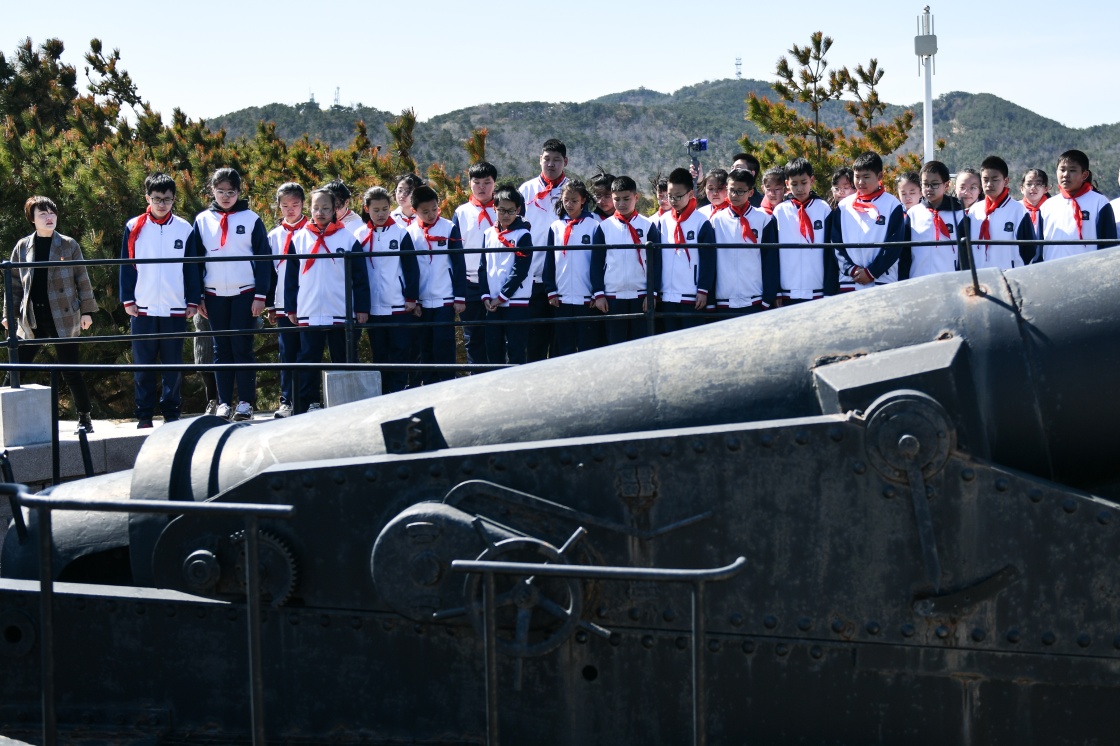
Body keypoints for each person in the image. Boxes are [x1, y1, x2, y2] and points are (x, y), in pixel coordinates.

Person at [4, 196, 97, 432]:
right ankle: (3, 419)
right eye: (42, 214)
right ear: (32, 219)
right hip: (32, 316)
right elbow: (13, 285)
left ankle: (85, 418)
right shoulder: (22, 246)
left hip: (63, 315)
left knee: (70, 371)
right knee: (15, 368)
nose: (49, 218)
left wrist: (87, 311)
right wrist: (9, 315)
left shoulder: (68, 244)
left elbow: (82, 279)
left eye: (52, 213)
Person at [120, 173, 201, 428]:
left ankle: (171, 413)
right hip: (142, 307)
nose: (162, 204)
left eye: (167, 199)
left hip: (174, 306)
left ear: (174, 199)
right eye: (157, 199)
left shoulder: (185, 228)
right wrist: (127, 298)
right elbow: (126, 265)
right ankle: (144, 415)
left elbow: (192, 268)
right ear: (147, 198)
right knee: (143, 365)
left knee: (172, 366)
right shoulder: (134, 226)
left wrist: (192, 300)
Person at [193, 168, 270, 421]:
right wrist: (198, 295)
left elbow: (264, 259)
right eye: (221, 191)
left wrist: (261, 295)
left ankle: (246, 403)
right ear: (212, 191)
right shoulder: (202, 220)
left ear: (239, 191)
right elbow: (195, 261)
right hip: (213, 294)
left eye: (231, 192)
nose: (226, 197)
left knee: (242, 347)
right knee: (221, 349)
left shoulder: (251, 219)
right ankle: (224, 402)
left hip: (244, 292)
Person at [284, 188, 369, 412]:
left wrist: (362, 307)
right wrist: (291, 307)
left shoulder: (347, 238)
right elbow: (290, 278)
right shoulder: (299, 238)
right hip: (309, 309)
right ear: (309, 209)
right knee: (308, 358)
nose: (320, 212)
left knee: (343, 356)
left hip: (340, 308)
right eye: (316, 208)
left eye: (325, 208)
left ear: (334, 210)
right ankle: (307, 403)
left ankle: (345, 403)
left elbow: (360, 277)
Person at [358, 186, 419, 395]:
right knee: (379, 353)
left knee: (400, 351)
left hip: (398, 304)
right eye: (376, 210)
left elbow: (411, 268)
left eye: (385, 209)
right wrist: (361, 305)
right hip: (373, 307)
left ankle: (398, 392)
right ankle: (383, 394)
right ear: (367, 209)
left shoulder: (401, 233)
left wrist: (411, 297)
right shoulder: (359, 235)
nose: (381, 214)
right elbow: (357, 273)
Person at [592, 176, 660, 345]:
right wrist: (599, 293)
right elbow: (596, 263)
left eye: (626, 199)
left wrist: (652, 293)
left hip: (641, 296)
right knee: (615, 345)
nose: (621, 204)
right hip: (612, 296)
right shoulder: (603, 227)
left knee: (641, 345)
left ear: (636, 197)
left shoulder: (648, 225)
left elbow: (656, 263)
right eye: (617, 199)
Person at [408, 185, 465, 384]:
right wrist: (413, 299)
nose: (431, 214)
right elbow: (408, 269)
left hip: (445, 297)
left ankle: (448, 382)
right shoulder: (409, 233)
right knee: (424, 344)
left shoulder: (449, 227)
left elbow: (459, 263)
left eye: (434, 209)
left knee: (444, 342)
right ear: (414, 211)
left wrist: (460, 296)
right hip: (421, 300)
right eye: (425, 211)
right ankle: (429, 385)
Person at [519, 139, 569, 362]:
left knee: (561, 341)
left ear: (565, 161)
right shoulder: (526, 190)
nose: (551, 164)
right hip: (533, 277)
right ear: (540, 159)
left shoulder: (572, 190)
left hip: (563, 277)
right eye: (547, 159)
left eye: (556, 160)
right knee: (534, 341)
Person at [830, 152, 905, 291]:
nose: (860, 182)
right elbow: (836, 244)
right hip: (850, 281)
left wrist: (871, 272)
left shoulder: (892, 205)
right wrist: (851, 269)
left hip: (882, 280)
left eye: (866, 177)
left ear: (880, 176)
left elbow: (894, 246)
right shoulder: (843, 206)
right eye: (857, 176)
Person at [653, 168, 715, 331]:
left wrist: (703, 289)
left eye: (678, 196)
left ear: (690, 194)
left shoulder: (701, 222)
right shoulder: (662, 221)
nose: (673, 200)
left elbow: (708, 260)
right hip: (666, 295)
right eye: (670, 196)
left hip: (692, 295)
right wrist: (655, 290)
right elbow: (656, 259)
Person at [710, 168, 778, 313]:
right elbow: (710, 260)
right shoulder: (716, 220)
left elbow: (770, 259)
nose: (735, 195)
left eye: (740, 191)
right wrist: (711, 300)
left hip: (755, 298)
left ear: (751, 192)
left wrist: (767, 298)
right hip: (724, 299)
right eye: (731, 190)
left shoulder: (763, 219)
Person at [265, 182, 307, 417]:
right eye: (285, 205)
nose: (290, 210)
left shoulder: (311, 232)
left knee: (307, 352)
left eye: (295, 205)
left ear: (303, 204)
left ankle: (307, 399)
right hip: (282, 303)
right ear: (278, 206)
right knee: (286, 353)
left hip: (308, 302)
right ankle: (287, 400)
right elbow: (269, 273)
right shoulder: (273, 236)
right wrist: (271, 305)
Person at [771, 158, 839, 304]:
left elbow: (831, 253)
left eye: (804, 183)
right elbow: (772, 254)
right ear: (787, 184)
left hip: (817, 289)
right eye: (794, 184)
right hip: (787, 290)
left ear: (812, 180)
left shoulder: (823, 209)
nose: (800, 189)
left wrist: (829, 291)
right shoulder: (780, 211)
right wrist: (776, 291)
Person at [543, 181, 600, 355]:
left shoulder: (594, 226)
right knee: (564, 347)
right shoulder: (555, 227)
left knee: (586, 346)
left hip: (586, 298)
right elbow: (549, 261)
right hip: (561, 298)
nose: (569, 204)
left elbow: (598, 262)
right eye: (566, 200)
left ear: (583, 200)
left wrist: (596, 292)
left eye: (574, 200)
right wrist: (551, 290)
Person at [480, 184, 534, 364]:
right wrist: (486, 296)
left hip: (516, 301)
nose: (506, 215)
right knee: (493, 348)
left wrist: (503, 296)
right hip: (492, 303)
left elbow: (520, 269)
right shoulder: (488, 233)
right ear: (494, 208)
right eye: (502, 210)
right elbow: (483, 266)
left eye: (511, 211)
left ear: (518, 210)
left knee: (516, 349)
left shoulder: (523, 235)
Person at [451, 161, 498, 367]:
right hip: (470, 283)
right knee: (473, 337)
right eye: (476, 182)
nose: (481, 187)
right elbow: (454, 251)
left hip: (496, 283)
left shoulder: (502, 209)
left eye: (487, 182)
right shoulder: (461, 212)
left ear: (494, 183)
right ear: (469, 183)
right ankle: (476, 378)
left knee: (496, 336)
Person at [1035, 149, 1117, 262]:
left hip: (1087, 268)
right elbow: (1038, 248)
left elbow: (1109, 245)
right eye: (1062, 170)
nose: (1065, 175)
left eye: (1072, 170)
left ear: (1084, 175)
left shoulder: (1099, 202)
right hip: (1052, 269)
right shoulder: (1047, 205)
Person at [904, 160, 968, 279]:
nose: (929, 188)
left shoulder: (959, 214)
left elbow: (965, 255)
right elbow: (905, 254)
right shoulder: (913, 214)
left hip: (950, 281)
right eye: (925, 184)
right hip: (917, 280)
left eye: (934, 184)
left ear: (946, 185)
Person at [968, 156, 1032, 271]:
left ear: (1006, 181)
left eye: (995, 179)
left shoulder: (1018, 211)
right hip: (979, 275)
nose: (989, 184)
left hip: (1009, 275)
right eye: (985, 179)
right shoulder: (974, 210)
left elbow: (1029, 250)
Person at [1019, 168, 1050, 247]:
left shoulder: (1052, 208)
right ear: (1022, 189)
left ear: (1046, 189)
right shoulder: (1017, 209)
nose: (1033, 187)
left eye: (1038, 184)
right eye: (1029, 184)